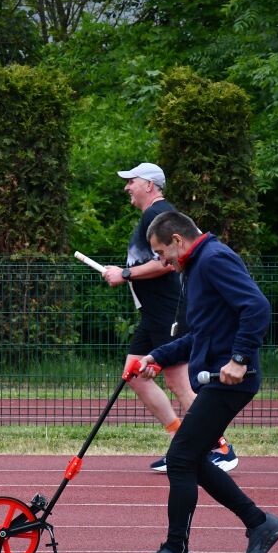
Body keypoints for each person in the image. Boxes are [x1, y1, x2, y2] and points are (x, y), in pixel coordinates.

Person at [126, 211, 278, 553]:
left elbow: (257, 307)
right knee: (190, 458)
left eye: (161, 253)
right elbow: (202, 335)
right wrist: (157, 356)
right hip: (216, 378)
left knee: (181, 458)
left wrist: (240, 358)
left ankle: (176, 552)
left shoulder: (213, 259)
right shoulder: (198, 266)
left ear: (177, 240)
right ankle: (259, 523)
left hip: (230, 380)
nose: (162, 261)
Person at [100, 163, 238, 475]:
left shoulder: (157, 214)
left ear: (149, 185)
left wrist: (124, 273)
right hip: (153, 314)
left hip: (168, 311)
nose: (127, 187)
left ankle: (220, 447)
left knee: (179, 382)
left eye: (131, 181)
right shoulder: (155, 215)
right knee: (135, 375)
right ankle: (181, 440)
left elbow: (166, 262)